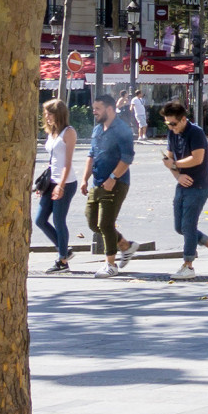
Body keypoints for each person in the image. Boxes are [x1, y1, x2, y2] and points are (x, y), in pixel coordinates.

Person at [161, 100, 208, 279]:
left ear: (183, 119)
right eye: (167, 123)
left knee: (188, 225)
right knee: (180, 227)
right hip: (182, 183)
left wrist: (175, 164)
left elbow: (197, 158)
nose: (171, 127)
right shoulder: (172, 134)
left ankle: (188, 265)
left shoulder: (196, 133)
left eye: (173, 123)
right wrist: (177, 175)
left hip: (199, 185)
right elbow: (168, 159)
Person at [81, 93, 136, 277]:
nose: (94, 112)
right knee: (93, 222)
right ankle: (125, 245)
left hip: (116, 183)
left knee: (105, 224)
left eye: (98, 108)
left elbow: (127, 158)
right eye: (93, 108)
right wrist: (84, 178)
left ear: (110, 109)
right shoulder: (97, 129)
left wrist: (113, 177)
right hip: (97, 182)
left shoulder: (122, 129)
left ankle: (110, 265)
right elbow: (91, 155)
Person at [37, 99, 80, 274]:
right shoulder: (52, 132)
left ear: (59, 114)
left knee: (58, 220)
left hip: (66, 182)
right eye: (45, 113)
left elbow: (67, 163)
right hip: (51, 181)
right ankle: (65, 250)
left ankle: (63, 261)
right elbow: (52, 160)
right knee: (40, 220)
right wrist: (44, 184)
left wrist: (60, 186)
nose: (46, 117)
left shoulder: (68, 133)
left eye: (49, 113)